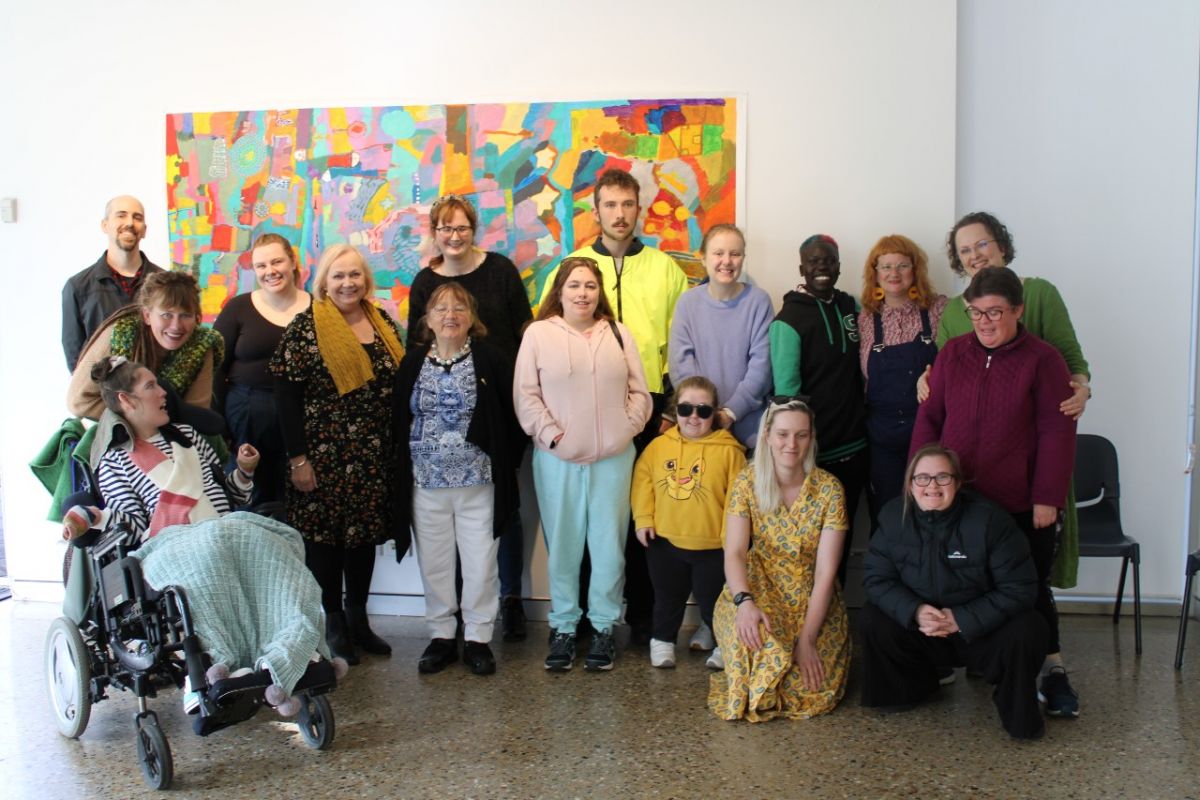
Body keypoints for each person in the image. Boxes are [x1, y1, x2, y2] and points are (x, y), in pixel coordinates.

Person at [60, 356, 339, 708]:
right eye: (151, 386)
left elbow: (232, 497)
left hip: (228, 529)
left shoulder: (189, 438)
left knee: (279, 546)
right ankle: (217, 663)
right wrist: (96, 517)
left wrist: (243, 470)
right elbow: (132, 527)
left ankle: (289, 651)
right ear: (126, 402)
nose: (164, 392)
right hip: (170, 545)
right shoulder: (115, 461)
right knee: (209, 552)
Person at [910, 266, 1079, 717]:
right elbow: (930, 420)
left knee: (1030, 589)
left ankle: (1052, 672)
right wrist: (919, 480)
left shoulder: (1043, 360)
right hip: (959, 503)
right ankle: (969, 660)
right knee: (962, 582)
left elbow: (1056, 432)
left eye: (995, 312)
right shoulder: (953, 355)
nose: (984, 322)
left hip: (1020, 504)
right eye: (975, 312)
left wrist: (1048, 496)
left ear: (1018, 311)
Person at [538, 168, 688, 644]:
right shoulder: (574, 264)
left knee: (643, 517)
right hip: (581, 409)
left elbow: (683, 342)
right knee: (584, 519)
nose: (619, 214)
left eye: (627, 205)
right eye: (610, 205)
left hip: (651, 408)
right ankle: (580, 620)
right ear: (596, 210)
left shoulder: (665, 269)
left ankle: (642, 619)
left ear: (638, 209)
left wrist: (671, 408)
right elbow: (543, 331)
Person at [927, 211, 1091, 594]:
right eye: (964, 250)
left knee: (1028, 565)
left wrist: (1081, 387)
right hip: (973, 462)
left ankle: (1042, 647)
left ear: (1001, 244)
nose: (975, 255)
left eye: (982, 243)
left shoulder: (1038, 293)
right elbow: (943, 368)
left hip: (1030, 454)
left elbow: (1071, 359)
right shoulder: (953, 310)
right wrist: (927, 377)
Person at [270, 244, 405, 666]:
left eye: (355, 275)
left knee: (362, 539)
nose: (348, 283)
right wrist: (298, 459)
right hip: (323, 456)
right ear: (324, 282)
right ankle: (332, 624)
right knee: (326, 543)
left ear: (366, 279)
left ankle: (358, 619)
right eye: (338, 276)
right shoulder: (306, 328)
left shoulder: (381, 322)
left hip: (371, 454)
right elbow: (285, 399)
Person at [406, 194, 533, 642]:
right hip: (434, 452)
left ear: (473, 230)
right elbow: (413, 347)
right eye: (445, 228)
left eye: (462, 228)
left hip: (500, 410)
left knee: (499, 520)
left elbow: (526, 330)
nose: (454, 236)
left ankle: (506, 605)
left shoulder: (499, 271)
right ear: (435, 233)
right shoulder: (425, 282)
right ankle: (448, 627)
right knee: (440, 545)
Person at [516, 256, 651, 672]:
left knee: (609, 547)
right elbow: (526, 395)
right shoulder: (538, 334)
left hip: (613, 459)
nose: (582, 293)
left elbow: (640, 393)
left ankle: (605, 628)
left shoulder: (617, 332)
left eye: (590, 286)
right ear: (560, 290)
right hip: (557, 459)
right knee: (564, 547)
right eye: (574, 285)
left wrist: (624, 430)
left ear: (599, 292)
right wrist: (554, 436)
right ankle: (563, 628)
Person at [860, 444, 1048, 740]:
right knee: (872, 618)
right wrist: (916, 611)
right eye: (922, 478)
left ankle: (1018, 713)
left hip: (978, 631)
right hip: (923, 628)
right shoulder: (893, 516)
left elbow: (1020, 588)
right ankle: (911, 690)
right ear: (910, 485)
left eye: (942, 478)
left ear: (958, 483)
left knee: (1029, 627)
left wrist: (961, 618)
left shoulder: (990, 520)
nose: (931, 486)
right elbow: (876, 579)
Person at [395, 283, 524, 676]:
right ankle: (441, 636)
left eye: (459, 308)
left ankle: (478, 637)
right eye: (440, 309)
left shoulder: (491, 359)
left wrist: (507, 462)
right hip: (426, 482)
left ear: (472, 318)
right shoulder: (413, 362)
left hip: (479, 481)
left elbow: (515, 415)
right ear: (427, 320)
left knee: (481, 563)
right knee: (435, 564)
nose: (450, 315)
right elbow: (397, 420)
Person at [708, 398, 850, 722]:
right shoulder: (747, 482)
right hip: (757, 586)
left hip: (810, 594)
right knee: (758, 652)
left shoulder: (829, 489)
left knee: (814, 690)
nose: (791, 444)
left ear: (811, 438)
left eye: (801, 435)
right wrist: (744, 603)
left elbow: (827, 573)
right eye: (783, 434)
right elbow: (734, 552)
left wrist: (808, 639)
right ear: (768, 436)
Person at [769, 234, 867, 585]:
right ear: (802, 268)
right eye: (814, 261)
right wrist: (800, 454)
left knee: (843, 538)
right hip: (815, 457)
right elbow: (787, 398)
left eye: (828, 261)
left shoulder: (851, 308)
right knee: (810, 543)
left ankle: (833, 624)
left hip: (856, 449)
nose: (821, 267)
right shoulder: (788, 320)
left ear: (839, 267)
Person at [631, 376, 745, 669]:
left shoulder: (731, 452)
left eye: (703, 411)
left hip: (714, 546)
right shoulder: (658, 447)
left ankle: (723, 643)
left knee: (715, 602)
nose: (694, 417)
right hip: (665, 541)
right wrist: (643, 518)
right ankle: (662, 641)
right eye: (685, 409)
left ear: (715, 414)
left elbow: (738, 499)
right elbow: (642, 482)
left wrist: (730, 539)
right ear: (675, 411)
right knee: (667, 599)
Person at [214, 233, 311, 507]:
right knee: (249, 499)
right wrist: (222, 428)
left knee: (297, 498)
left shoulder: (318, 309)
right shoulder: (238, 308)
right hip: (246, 415)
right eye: (261, 266)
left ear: (292, 262)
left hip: (300, 417)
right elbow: (215, 370)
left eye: (277, 262)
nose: (270, 271)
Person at [856, 235, 947, 526]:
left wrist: (935, 372)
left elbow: (958, 362)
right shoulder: (865, 319)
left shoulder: (939, 309)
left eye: (902, 265)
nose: (894, 274)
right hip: (882, 439)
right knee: (888, 515)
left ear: (915, 270)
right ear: (876, 273)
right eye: (886, 266)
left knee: (932, 513)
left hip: (930, 432)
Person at [669, 223, 774, 449]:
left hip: (750, 434)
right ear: (703, 258)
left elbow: (762, 367)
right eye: (718, 253)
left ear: (743, 258)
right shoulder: (687, 303)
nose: (726, 261)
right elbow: (680, 366)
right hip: (698, 428)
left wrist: (730, 412)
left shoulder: (759, 301)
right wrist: (705, 412)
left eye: (734, 254)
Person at [68, 271, 224, 421]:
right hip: (120, 434)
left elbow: (196, 413)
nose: (176, 326)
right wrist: (141, 417)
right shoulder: (119, 335)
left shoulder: (202, 345)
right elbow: (78, 402)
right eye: (166, 315)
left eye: (185, 315)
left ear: (197, 318)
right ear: (147, 315)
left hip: (173, 436)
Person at [61, 195, 163, 370]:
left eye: (137, 217)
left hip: (156, 391)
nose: (130, 223)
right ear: (105, 225)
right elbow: (75, 357)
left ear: (144, 230)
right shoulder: (78, 287)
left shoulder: (165, 284)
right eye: (121, 215)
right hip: (102, 394)